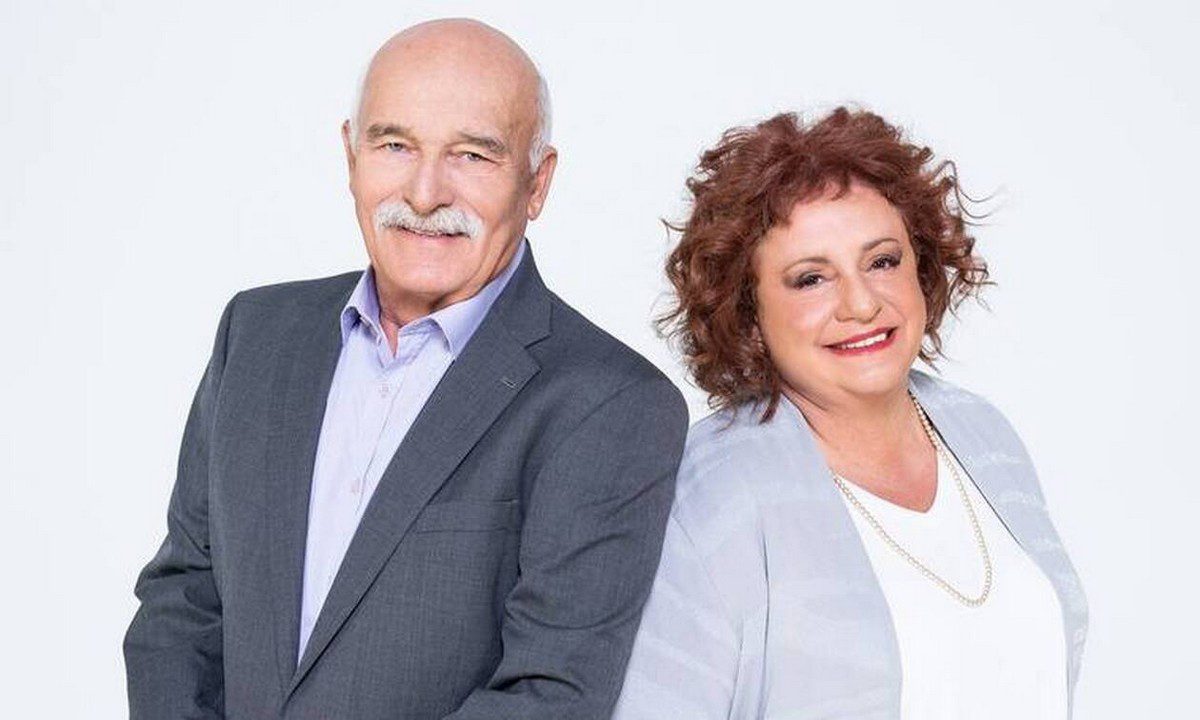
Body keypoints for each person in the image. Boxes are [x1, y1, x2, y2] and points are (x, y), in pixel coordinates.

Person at [123, 19, 688, 719]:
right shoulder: (257, 335)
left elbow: (548, 695)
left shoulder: (610, 405)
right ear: (351, 155)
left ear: (537, 182)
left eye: (472, 156)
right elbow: (182, 601)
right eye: (394, 145)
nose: (424, 194)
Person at [614, 108, 1087, 719]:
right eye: (811, 278)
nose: (861, 303)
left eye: (882, 261)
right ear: (749, 313)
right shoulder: (713, 494)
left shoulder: (983, 433)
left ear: (921, 267)